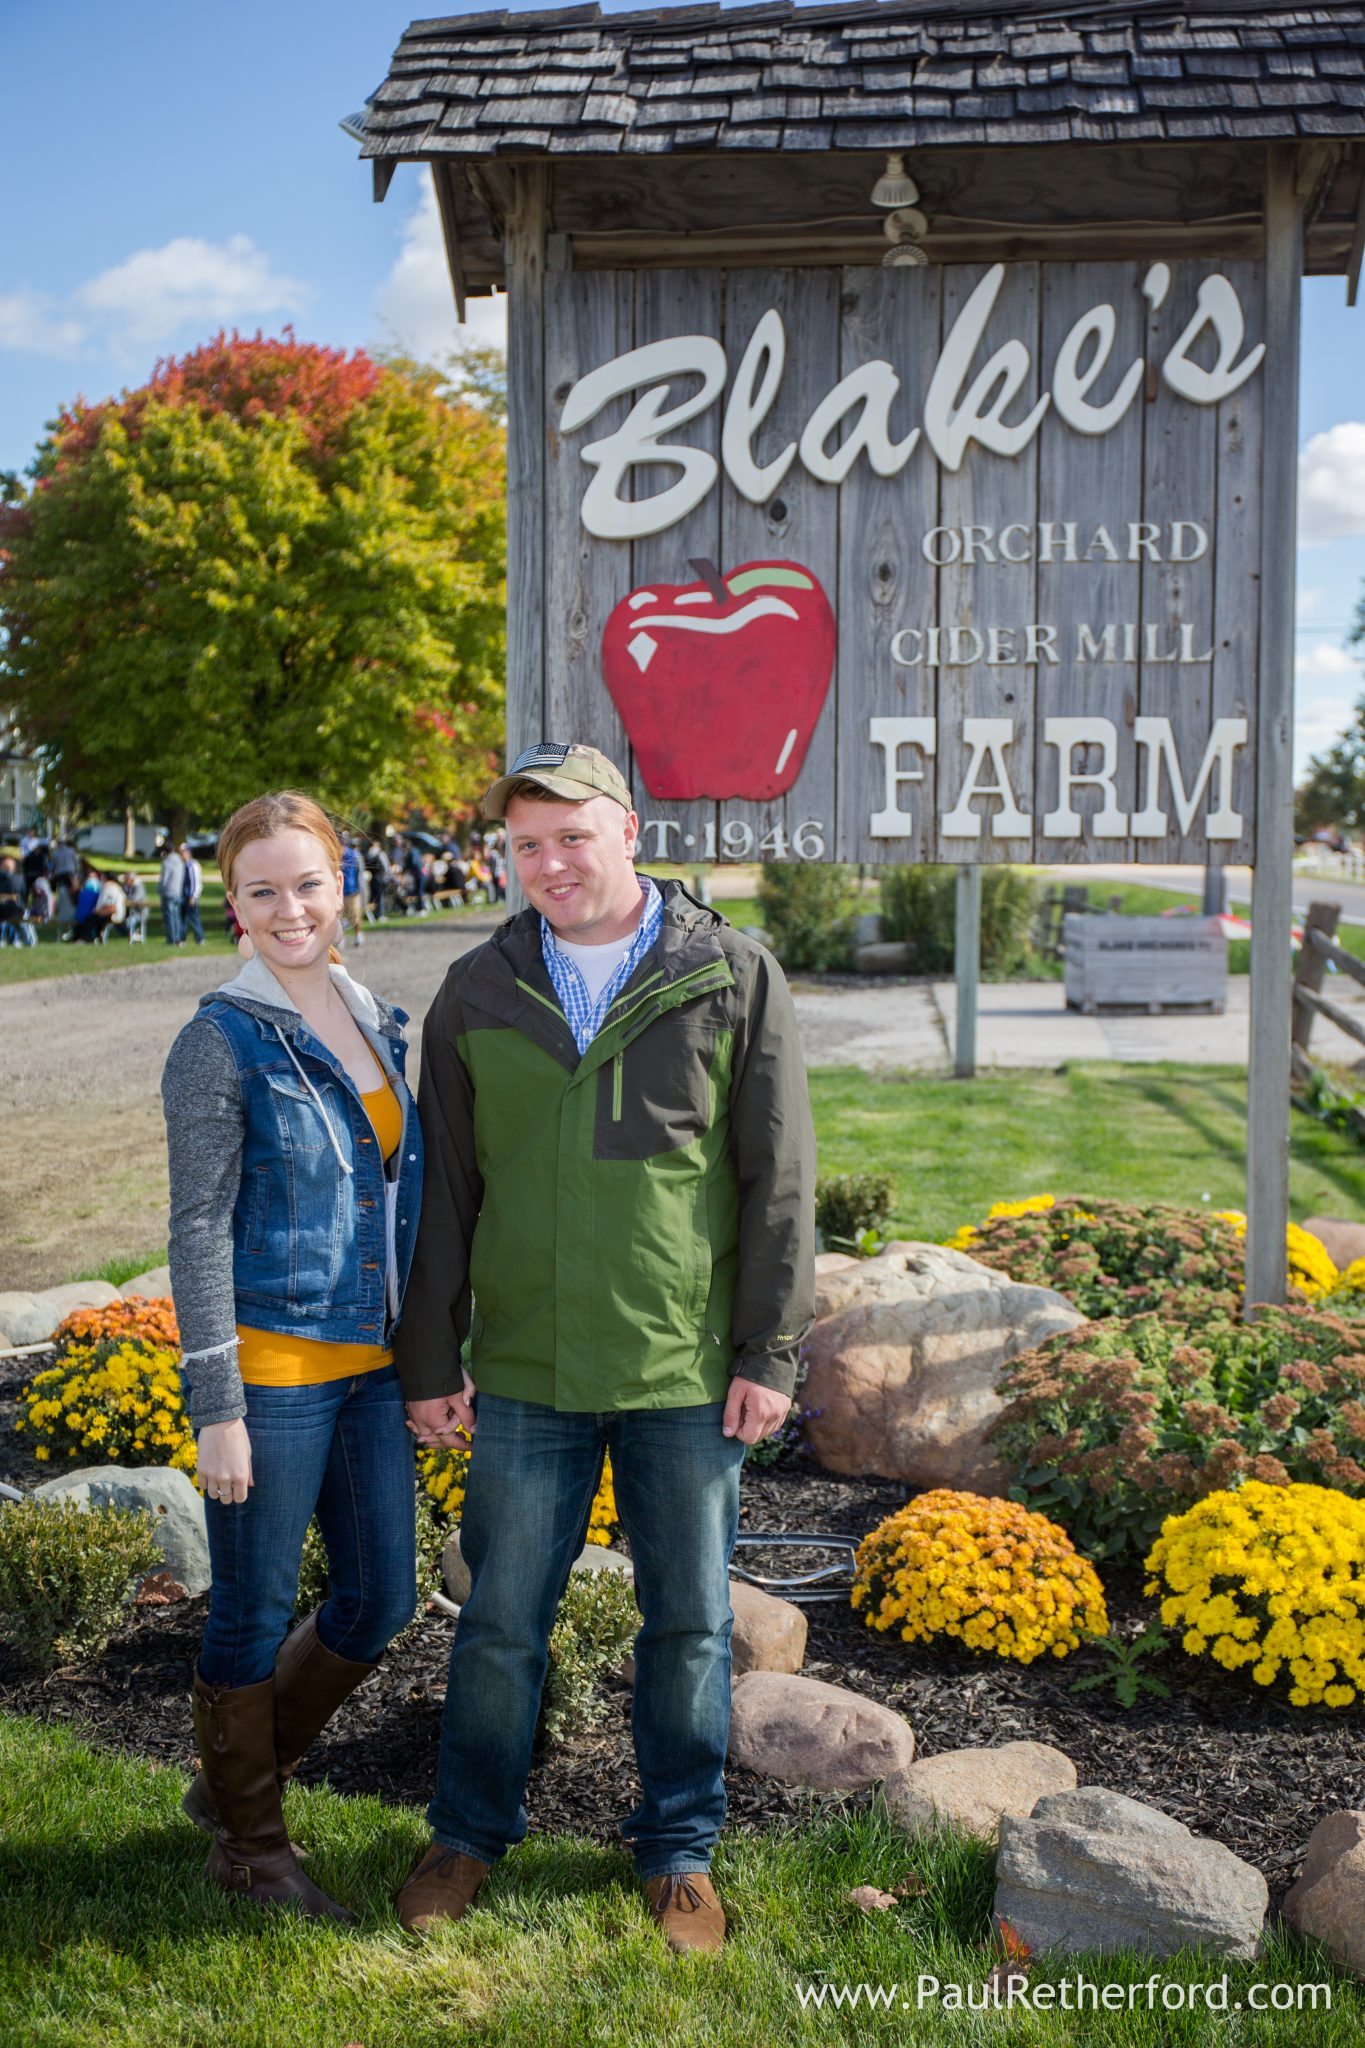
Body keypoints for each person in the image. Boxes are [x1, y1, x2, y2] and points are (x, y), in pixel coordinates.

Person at [393, 741, 815, 1953]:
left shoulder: (732, 975)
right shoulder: (476, 990)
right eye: (527, 844)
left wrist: (768, 1351)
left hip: (683, 1369)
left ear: (629, 829)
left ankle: (679, 1848)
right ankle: (467, 1830)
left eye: (571, 835)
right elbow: (446, 1191)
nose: (550, 863)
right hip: (527, 1367)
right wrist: (432, 1358)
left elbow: (779, 1182)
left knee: (686, 1621)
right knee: (499, 1619)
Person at [160, 790, 425, 1923]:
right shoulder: (217, 1039)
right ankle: (253, 1849)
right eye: (262, 888)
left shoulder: (378, 1018)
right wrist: (216, 1399)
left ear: (343, 886)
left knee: (380, 1596)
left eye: (307, 882)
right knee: (253, 1606)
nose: (289, 906)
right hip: (270, 1371)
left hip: (367, 1365)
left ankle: (230, 1781)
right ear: (232, 904)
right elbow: (196, 1226)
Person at [339, 834, 364, 948]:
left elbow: (360, 873)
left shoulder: (353, 855)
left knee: (354, 915)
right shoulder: (333, 856)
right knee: (338, 917)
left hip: (352, 890)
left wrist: (361, 889)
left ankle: (358, 934)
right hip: (338, 891)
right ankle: (341, 938)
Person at [160, 840, 186, 945]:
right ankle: (178, 937)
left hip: (168, 892)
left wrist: (160, 889)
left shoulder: (166, 862)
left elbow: (164, 879)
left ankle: (172, 939)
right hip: (177, 891)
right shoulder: (179, 861)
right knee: (176, 916)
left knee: (169, 917)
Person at [180, 842, 205, 946]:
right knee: (183, 919)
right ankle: (182, 939)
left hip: (190, 896)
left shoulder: (192, 865)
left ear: (188, 852)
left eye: (183, 852)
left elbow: (195, 882)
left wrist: (193, 896)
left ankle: (200, 938)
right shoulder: (184, 865)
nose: (181, 854)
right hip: (184, 896)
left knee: (194, 918)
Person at [49, 837, 80, 917]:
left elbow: (52, 866)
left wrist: (52, 873)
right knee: (72, 892)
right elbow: (76, 863)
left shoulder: (55, 853)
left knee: (61, 892)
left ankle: (60, 907)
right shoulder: (72, 851)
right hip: (71, 874)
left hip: (60, 874)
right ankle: (72, 907)